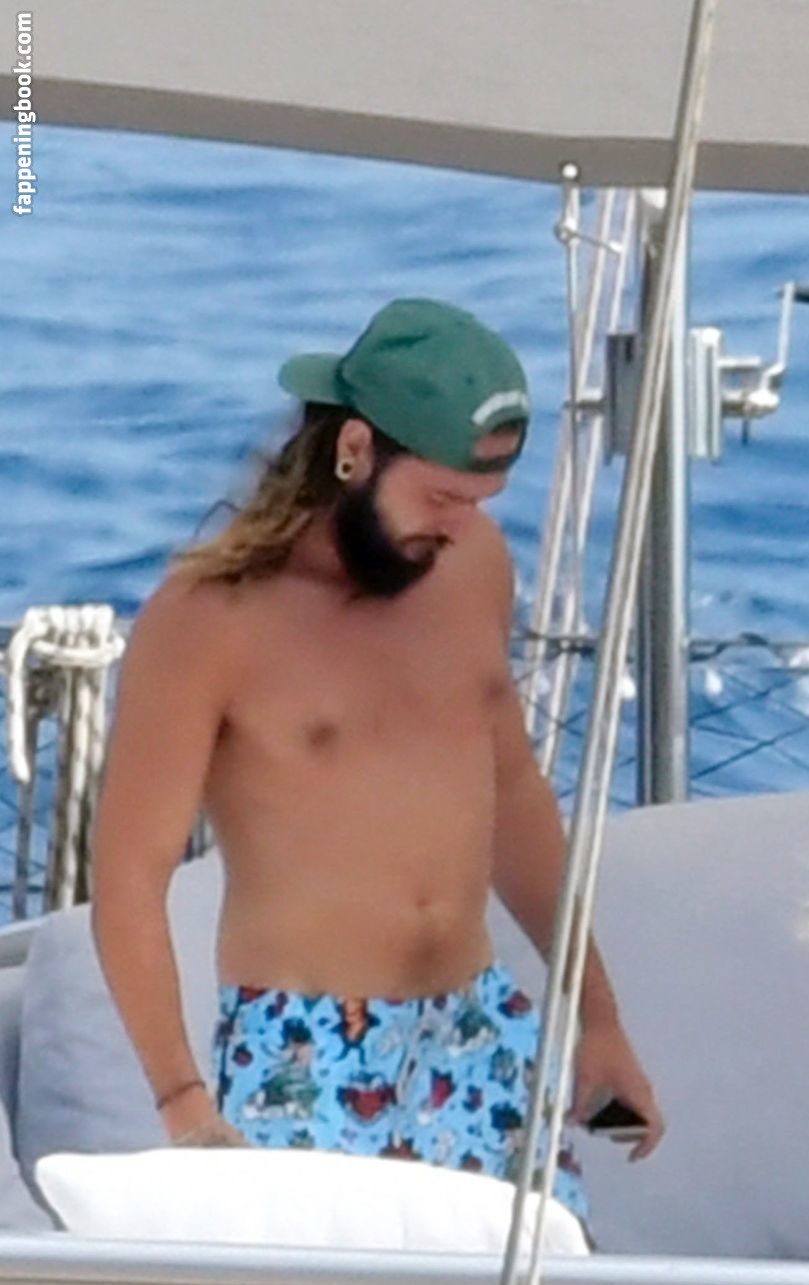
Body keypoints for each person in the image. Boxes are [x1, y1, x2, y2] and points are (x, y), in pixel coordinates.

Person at [92, 296, 663, 1222]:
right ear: (355, 449)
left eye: (478, 503)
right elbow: (129, 873)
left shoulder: (472, 566)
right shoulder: (210, 618)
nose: (460, 527)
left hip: (476, 1027)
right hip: (306, 1052)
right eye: (440, 498)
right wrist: (183, 1101)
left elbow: (511, 792)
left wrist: (597, 1016)